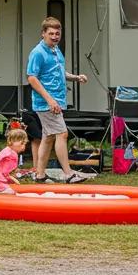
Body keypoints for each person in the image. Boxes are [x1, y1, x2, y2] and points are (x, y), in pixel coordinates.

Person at [26, 17, 88, 185]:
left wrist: (75, 77)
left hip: (57, 100)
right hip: (46, 103)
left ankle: (39, 174)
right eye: (51, 33)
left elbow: (58, 71)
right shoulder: (38, 52)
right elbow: (32, 78)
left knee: (48, 137)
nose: (54, 36)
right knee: (62, 133)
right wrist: (49, 100)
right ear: (43, 34)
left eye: (57, 33)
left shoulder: (55, 49)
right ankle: (68, 174)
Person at [0, 127, 29, 193]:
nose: (23, 146)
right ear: (11, 142)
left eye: (24, 144)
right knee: (12, 194)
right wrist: (16, 179)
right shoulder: (12, 155)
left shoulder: (6, 150)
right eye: (22, 143)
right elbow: (8, 173)